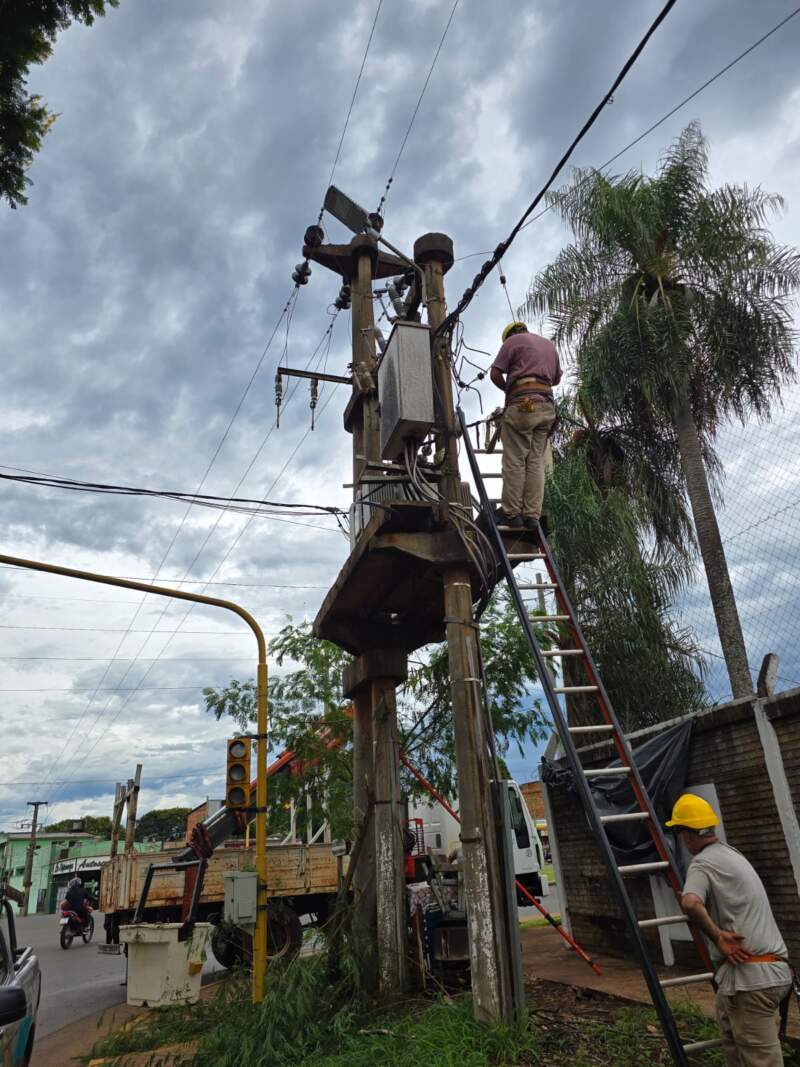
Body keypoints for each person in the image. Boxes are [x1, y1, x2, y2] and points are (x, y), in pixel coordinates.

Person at [666, 793, 793, 1067]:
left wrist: (716, 936)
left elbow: (690, 901)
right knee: (735, 1049)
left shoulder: (701, 862)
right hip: (766, 974)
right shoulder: (731, 855)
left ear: (686, 834)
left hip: (751, 981)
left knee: (761, 1061)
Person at [489, 322, 562, 530]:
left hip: (522, 406)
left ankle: (512, 514)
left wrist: (510, 391)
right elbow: (555, 379)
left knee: (515, 459)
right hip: (546, 407)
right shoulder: (548, 345)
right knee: (535, 461)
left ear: (509, 335)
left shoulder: (512, 342)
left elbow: (495, 374)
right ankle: (531, 515)